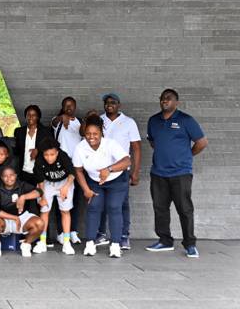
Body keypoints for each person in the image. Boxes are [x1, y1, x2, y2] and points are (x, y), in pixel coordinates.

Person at [146, 88, 207, 258]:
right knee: (160, 208)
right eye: (162, 98)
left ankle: (190, 244)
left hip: (180, 173)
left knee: (185, 209)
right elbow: (153, 142)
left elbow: (201, 142)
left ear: (176, 102)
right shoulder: (153, 121)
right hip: (158, 173)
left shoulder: (186, 120)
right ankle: (165, 241)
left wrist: (187, 155)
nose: (165, 101)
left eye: (169, 98)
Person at [73, 114, 131, 258]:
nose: (91, 137)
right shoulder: (80, 148)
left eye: (95, 134)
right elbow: (78, 171)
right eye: (88, 134)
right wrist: (86, 189)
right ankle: (90, 243)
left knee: (114, 207)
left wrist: (109, 169)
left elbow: (127, 161)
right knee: (93, 207)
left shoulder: (110, 144)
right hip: (95, 181)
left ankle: (116, 245)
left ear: (101, 133)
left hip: (117, 180)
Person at [97, 93, 142, 249]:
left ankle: (123, 236)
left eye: (113, 102)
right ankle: (101, 234)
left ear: (119, 105)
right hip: (100, 171)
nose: (109, 104)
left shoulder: (129, 122)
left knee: (121, 205)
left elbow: (136, 148)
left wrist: (135, 172)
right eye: (107, 102)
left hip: (121, 171)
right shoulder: (99, 120)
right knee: (99, 204)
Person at [0, 166, 45, 258]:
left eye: (11, 175)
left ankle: (26, 244)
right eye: (5, 176)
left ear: (16, 176)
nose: (9, 178)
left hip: (21, 217)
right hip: (3, 218)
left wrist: (23, 197)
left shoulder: (22, 185)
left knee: (40, 223)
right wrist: (14, 218)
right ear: (1, 177)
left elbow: (39, 191)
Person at [33, 139, 76, 255]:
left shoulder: (63, 156)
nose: (49, 157)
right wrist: (42, 197)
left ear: (57, 152)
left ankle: (66, 243)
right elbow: (40, 181)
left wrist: (66, 187)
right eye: (46, 154)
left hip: (65, 182)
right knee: (44, 210)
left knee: (65, 211)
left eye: (52, 154)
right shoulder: (39, 160)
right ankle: (42, 242)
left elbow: (72, 173)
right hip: (47, 184)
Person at [50, 97, 83, 245]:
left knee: (75, 199)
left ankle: (73, 231)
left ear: (75, 107)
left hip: (77, 165)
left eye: (71, 106)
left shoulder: (80, 122)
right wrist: (62, 117)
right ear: (62, 107)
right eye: (66, 106)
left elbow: (84, 132)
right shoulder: (57, 121)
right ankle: (61, 232)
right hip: (61, 165)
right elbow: (55, 122)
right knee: (60, 198)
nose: (69, 108)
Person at [13, 105, 53, 184]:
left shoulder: (45, 132)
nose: (31, 117)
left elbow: (53, 146)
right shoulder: (19, 131)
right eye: (28, 115)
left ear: (38, 117)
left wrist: (39, 150)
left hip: (40, 172)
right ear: (25, 116)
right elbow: (17, 151)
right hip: (23, 173)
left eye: (34, 115)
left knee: (39, 195)